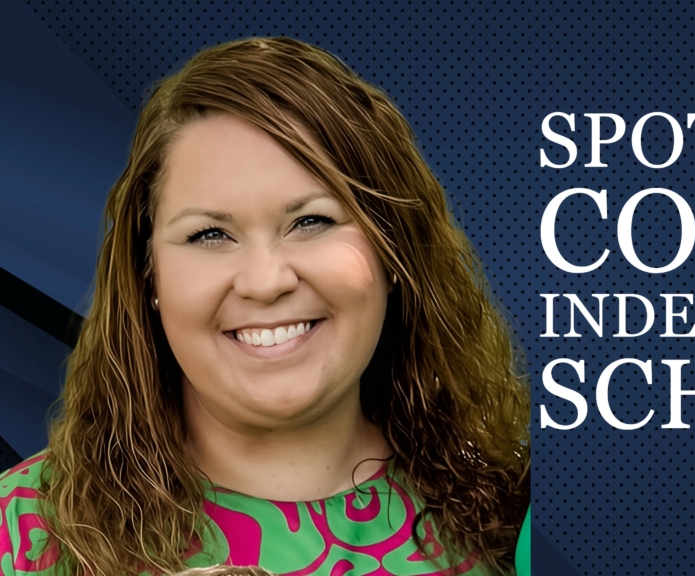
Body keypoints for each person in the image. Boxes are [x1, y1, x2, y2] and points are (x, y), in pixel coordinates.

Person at [0, 37, 530, 575]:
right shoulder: (19, 534)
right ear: (149, 274)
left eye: (311, 222)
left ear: (392, 250)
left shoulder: (516, 524)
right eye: (209, 234)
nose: (265, 281)